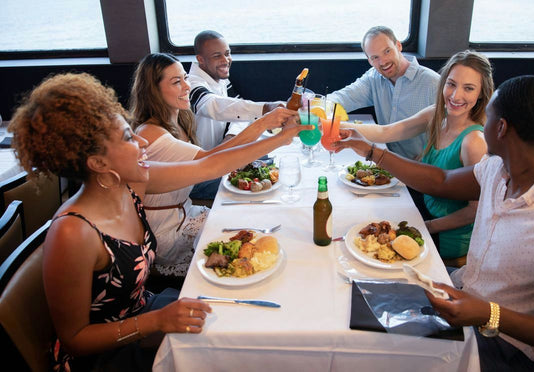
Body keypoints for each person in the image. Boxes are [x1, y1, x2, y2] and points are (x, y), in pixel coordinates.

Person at [8, 73, 310, 371]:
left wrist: (282, 139)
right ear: (98, 163)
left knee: (250, 320)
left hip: (146, 311)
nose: (141, 140)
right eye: (128, 137)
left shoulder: (131, 183)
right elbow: (75, 339)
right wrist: (157, 321)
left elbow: (209, 165)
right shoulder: (73, 232)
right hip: (109, 354)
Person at [334, 75, 534, 370]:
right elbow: (442, 180)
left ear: (500, 128)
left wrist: (490, 313)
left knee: (369, 354)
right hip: (465, 294)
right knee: (355, 287)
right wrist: (369, 151)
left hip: (511, 347)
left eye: (488, 116)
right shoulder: (499, 167)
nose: (481, 122)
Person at [129, 53, 297, 277]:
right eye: (176, 82)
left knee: (251, 226)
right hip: (168, 230)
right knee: (242, 246)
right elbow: (213, 161)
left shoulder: (179, 120)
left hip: (186, 213)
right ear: (153, 90)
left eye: (185, 78)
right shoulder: (151, 132)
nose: (187, 86)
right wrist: (264, 125)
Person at [341, 50, 492, 263]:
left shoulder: (474, 142)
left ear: (481, 94)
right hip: (424, 210)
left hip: (446, 233)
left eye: (468, 88)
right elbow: (387, 132)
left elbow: (475, 212)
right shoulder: (437, 115)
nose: (456, 96)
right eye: (451, 84)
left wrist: (426, 226)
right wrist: (334, 126)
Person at [188, 30, 283, 199]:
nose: (226, 60)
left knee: (272, 158)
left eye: (227, 53)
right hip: (197, 174)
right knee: (261, 186)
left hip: (221, 156)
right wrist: (266, 108)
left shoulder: (219, 76)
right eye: (217, 56)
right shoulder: (192, 85)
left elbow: (237, 109)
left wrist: (231, 135)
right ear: (200, 59)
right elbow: (214, 106)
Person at [326, 25, 440, 160]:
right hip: (387, 162)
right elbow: (343, 97)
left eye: (387, 51)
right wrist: (320, 108)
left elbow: (452, 133)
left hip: (424, 165)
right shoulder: (373, 78)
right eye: (375, 57)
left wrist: (428, 158)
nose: (383, 61)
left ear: (398, 46)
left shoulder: (433, 83)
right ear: (369, 61)